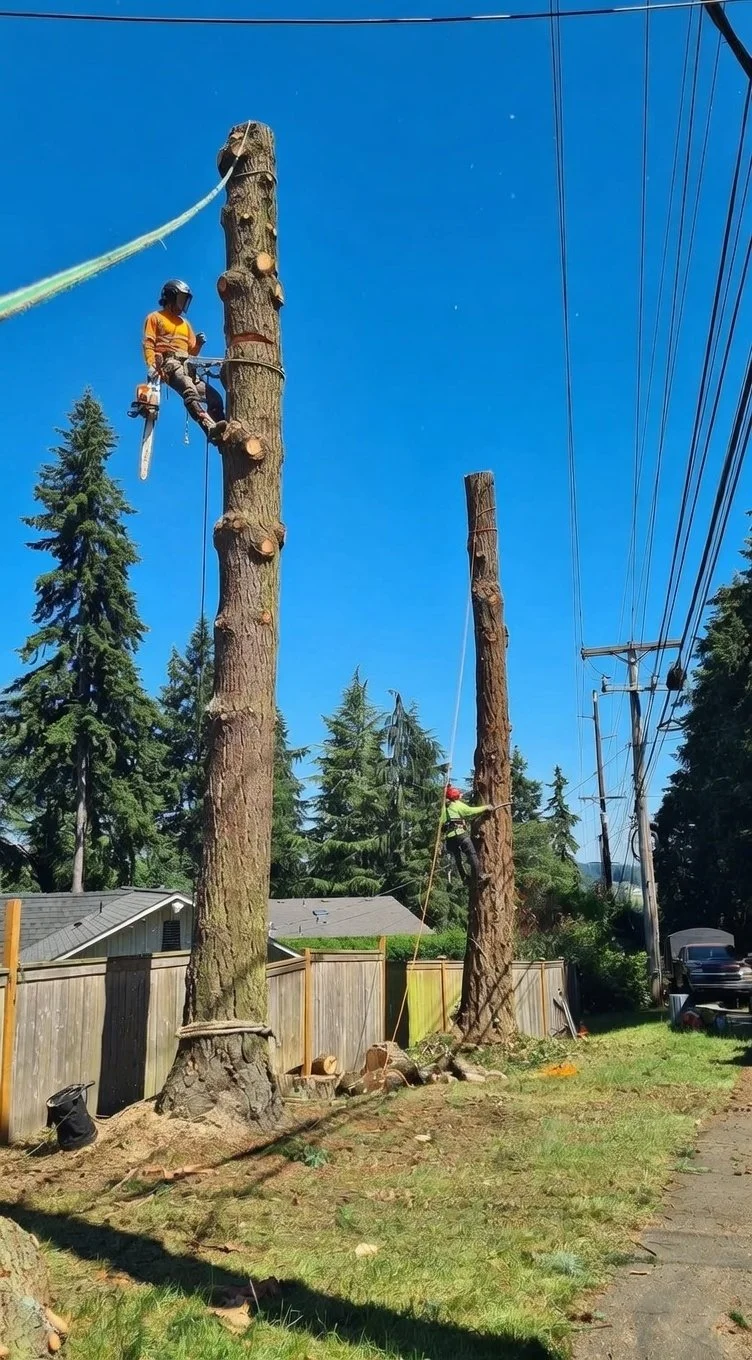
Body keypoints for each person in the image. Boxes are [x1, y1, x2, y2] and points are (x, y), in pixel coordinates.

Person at [142, 279, 225, 436]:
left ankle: (223, 430)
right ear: (171, 297)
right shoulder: (155, 317)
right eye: (181, 300)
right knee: (189, 388)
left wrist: (198, 343)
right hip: (169, 364)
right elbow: (148, 342)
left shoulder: (185, 324)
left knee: (214, 398)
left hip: (188, 365)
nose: (182, 305)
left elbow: (192, 352)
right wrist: (152, 364)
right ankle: (209, 426)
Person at [441, 785, 493, 885]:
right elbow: (470, 811)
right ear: (455, 797)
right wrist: (486, 807)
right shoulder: (457, 804)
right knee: (472, 855)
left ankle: (465, 878)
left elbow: (442, 822)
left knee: (458, 859)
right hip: (460, 835)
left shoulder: (445, 807)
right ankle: (479, 876)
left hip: (450, 838)